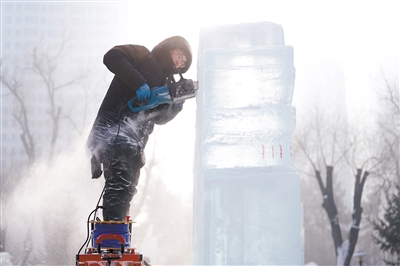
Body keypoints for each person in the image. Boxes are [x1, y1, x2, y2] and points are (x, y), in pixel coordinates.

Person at [87, 36, 192, 221]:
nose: (179, 62)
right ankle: (112, 237)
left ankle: (118, 235)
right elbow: (112, 56)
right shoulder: (142, 55)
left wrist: (175, 106)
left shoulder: (166, 85)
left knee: (127, 189)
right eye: (180, 55)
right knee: (119, 185)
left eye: (183, 62)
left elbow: (158, 118)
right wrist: (139, 83)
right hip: (114, 130)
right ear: (170, 48)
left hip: (135, 144)